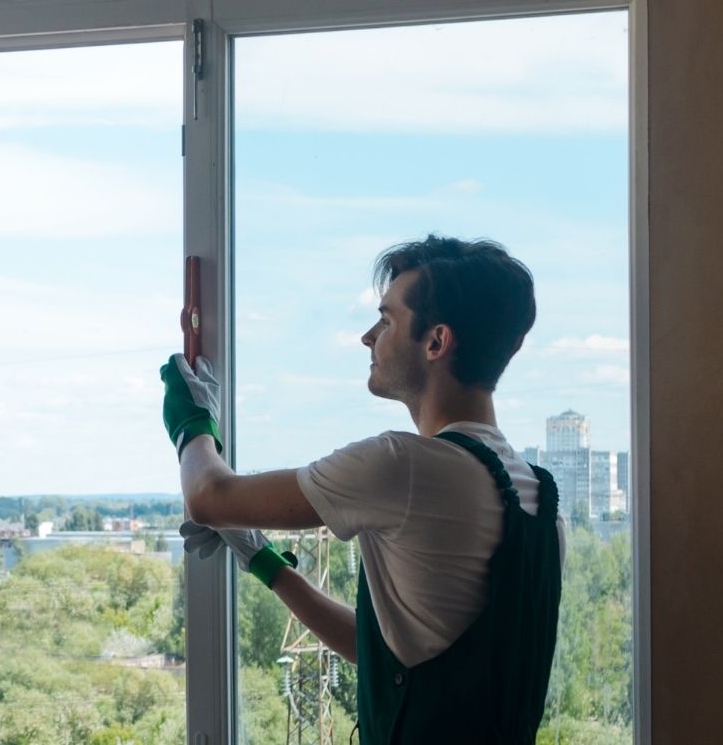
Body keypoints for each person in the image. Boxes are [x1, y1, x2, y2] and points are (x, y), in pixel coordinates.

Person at [166, 235, 563, 743]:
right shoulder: (541, 500)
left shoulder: (405, 466)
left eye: (387, 320)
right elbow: (384, 647)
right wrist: (264, 561)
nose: (368, 336)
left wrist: (192, 420)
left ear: (436, 342)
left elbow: (208, 495)